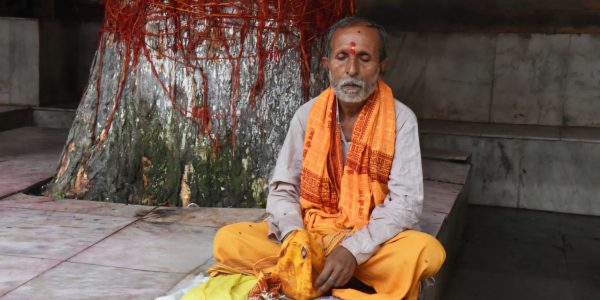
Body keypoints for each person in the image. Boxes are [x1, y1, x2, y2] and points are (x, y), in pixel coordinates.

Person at [209, 16, 446, 299]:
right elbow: (283, 189)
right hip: (311, 234)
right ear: (327, 65)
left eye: (365, 59)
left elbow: (406, 203)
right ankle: (334, 275)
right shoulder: (306, 115)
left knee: (426, 252)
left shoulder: (401, 119)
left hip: (370, 243)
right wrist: (295, 238)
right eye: (342, 57)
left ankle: (316, 273)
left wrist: (352, 250)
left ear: (382, 67)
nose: (352, 70)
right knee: (229, 241)